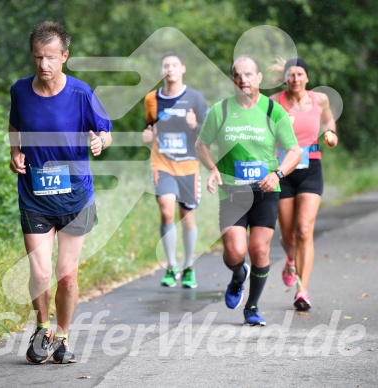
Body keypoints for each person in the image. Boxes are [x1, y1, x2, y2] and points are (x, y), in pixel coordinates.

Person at [8, 21, 112, 364]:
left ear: (64, 56)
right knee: (39, 273)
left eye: (51, 57)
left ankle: (63, 336)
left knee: (66, 275)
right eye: (38, 57)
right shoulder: (20, 90)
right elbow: (14, 126)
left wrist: (99, 140)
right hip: (34, 196)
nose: (44, 65)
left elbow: (105, 131)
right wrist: (15, 152)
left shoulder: (81, 93)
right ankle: (42, 327)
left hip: (75, 198)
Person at [196, 55, 301, 325]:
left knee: (260, 250)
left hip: (265, 191)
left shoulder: (272, 111)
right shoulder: (219, 110)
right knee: (234, 252)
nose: (243, 79)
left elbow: (294, 151)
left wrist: (278, 173)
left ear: (259, 79)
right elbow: (201, 145)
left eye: (248, 74)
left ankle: (252, 307)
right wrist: (213, 168)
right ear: (233, 79)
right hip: (231, 192)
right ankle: (238, 275)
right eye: (237, 75)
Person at [269, 57, 338, 311]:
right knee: (288, 235)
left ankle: (302, 290)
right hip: (283, 170)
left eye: (300, 74)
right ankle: (290, 258)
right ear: (285, 79)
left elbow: (329, 122)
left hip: (311, 167)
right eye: (291, 75)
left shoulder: (319, 99)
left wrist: (331, 135)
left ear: (307, 78)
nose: (295, 79)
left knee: (304, 230)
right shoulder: (275, 102)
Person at [143, 52, 209, 289]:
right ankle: (170, 266)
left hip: (189, 165)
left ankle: (189, 267)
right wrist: (146, 135)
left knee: (187, 218)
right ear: (161, 71)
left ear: (183, 68)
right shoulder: (152, 98)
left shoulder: (195, 98)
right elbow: (149, 126)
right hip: (162, 163)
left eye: (174, 65)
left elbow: (210, 130)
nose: (169, 69)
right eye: (165, 66)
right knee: (166, 211)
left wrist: (195, 125)